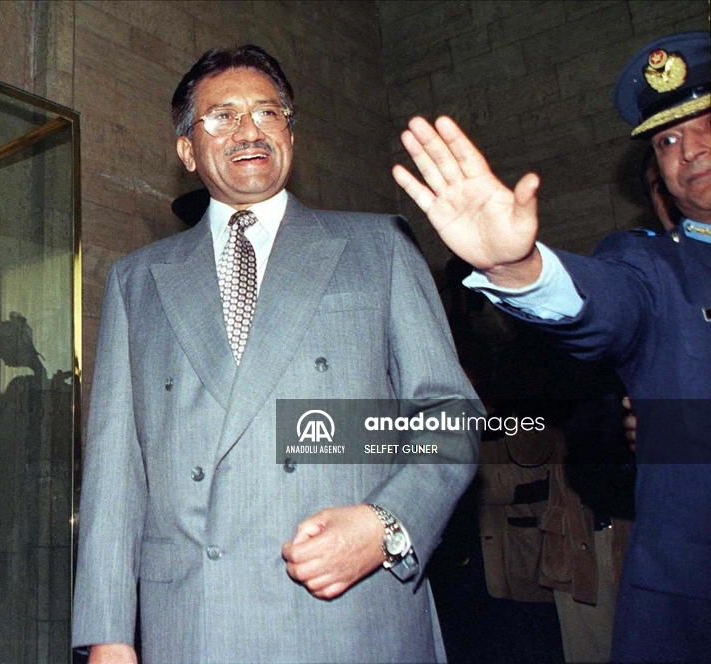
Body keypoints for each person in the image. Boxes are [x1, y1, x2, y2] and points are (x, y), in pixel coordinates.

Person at [71, 45, 480, 663]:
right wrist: (107, 632)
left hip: (351, 615)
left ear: (291, 130)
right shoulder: (139, 279)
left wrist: (386, 526)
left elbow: (452, 417)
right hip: (194, 620)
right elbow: (115, 471)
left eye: (268, 112)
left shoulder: (378, 247)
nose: (249, 130)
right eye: (222, 117)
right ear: (187, 149)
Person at [393, 31, 710, 662]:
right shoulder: (646, 269)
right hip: (596, 564)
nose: (688, 151)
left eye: (705, 126)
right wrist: (519, 269)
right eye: (668, 140)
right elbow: (600, 316)